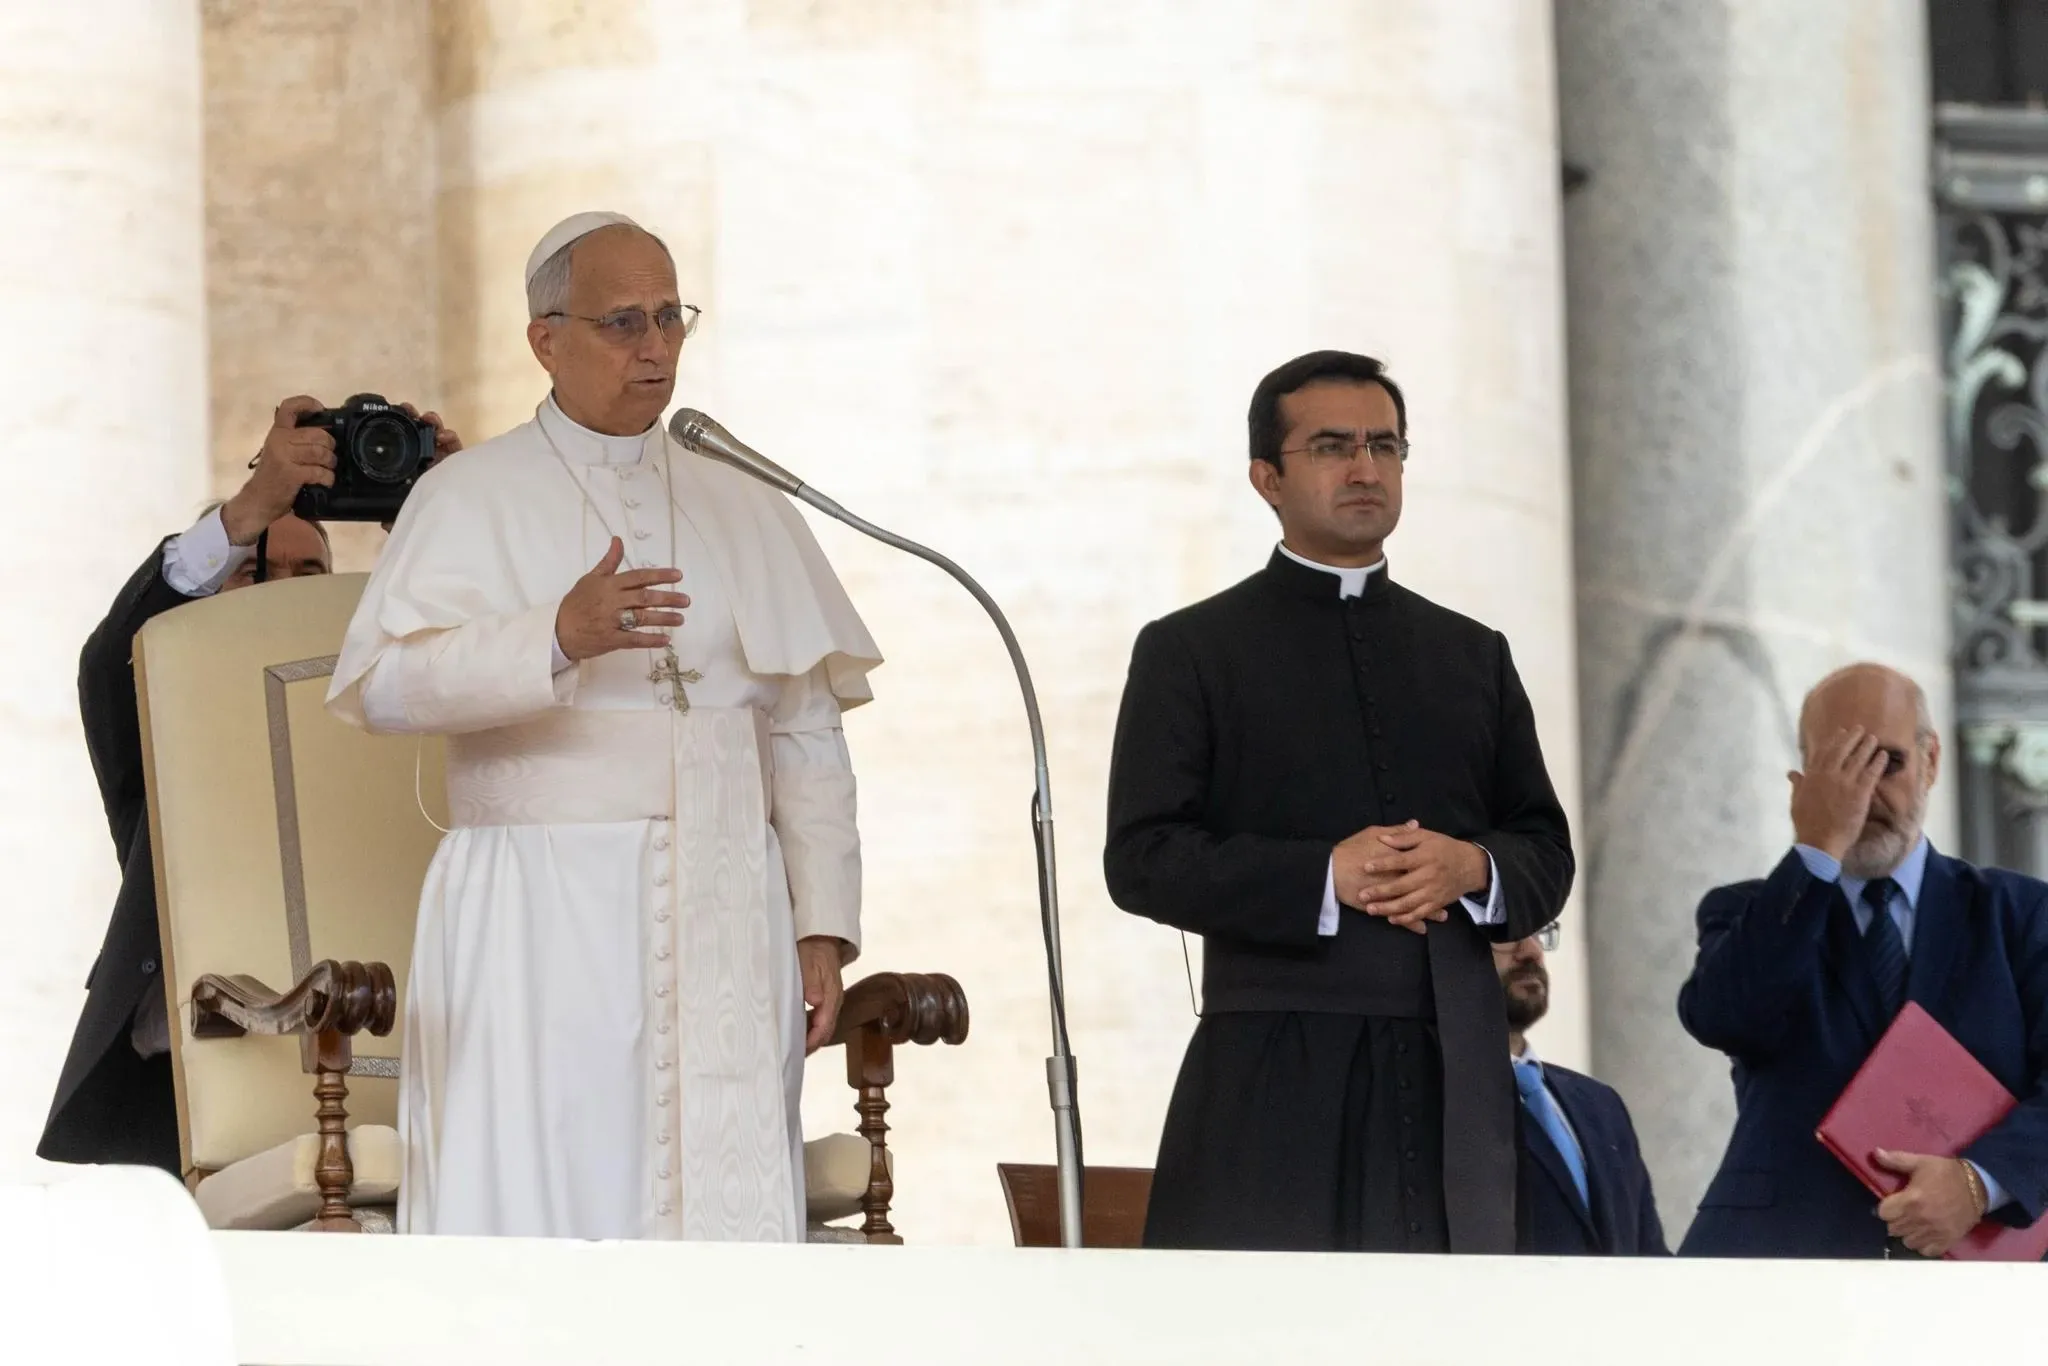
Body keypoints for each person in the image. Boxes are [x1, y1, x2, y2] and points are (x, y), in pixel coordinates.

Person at [325, 211, 882, 1242]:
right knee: (550, 1190)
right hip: (540, 913)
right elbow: (381, 688)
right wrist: (553, 636)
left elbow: (805, 729)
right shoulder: (466, 495)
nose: (656, 346)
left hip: (729, 907)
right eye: (624, 321)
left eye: (671, 317)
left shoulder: (746, 500)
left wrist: (821, 925)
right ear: (546, 340)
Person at [1103, 349, 1574, 1254]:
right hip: (1275, 1065)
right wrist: (1324, 874)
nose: (1366, 468)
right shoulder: (1191, 650)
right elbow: (1142, 858)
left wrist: (1471, 866)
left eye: (1384, 446)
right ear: (1267, 478)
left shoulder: (1474, 654)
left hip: (1452, 1068)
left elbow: (1546, 852)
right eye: (1332, 447)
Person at [38, 394, 458, 1173]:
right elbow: (111, 658)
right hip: (192, 1071)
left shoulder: (374, 702)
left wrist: (449, 517)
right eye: (256, 572)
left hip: (379, 1048)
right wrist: (249, 510)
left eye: (310, 576)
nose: (282, 593)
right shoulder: (166, 696)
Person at [1679, 663, 2048, 1258]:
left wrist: (1979, 1183)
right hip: (1783, 1262)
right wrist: (1816, 849)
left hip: (1974, 1270)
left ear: (1931, 762)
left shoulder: (2021, 915)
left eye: (1888, 762)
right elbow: (1725, 1018)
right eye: (1841, 767)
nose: (1865, 791)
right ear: (1803, 781)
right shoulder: (1749, 911)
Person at [1496, 928, 1667, 1255]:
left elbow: (1648, 1256)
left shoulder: (1600, 1103)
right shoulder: (1438, 1102)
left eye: (1538, 931)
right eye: (1506, 935)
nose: (1531, 951)